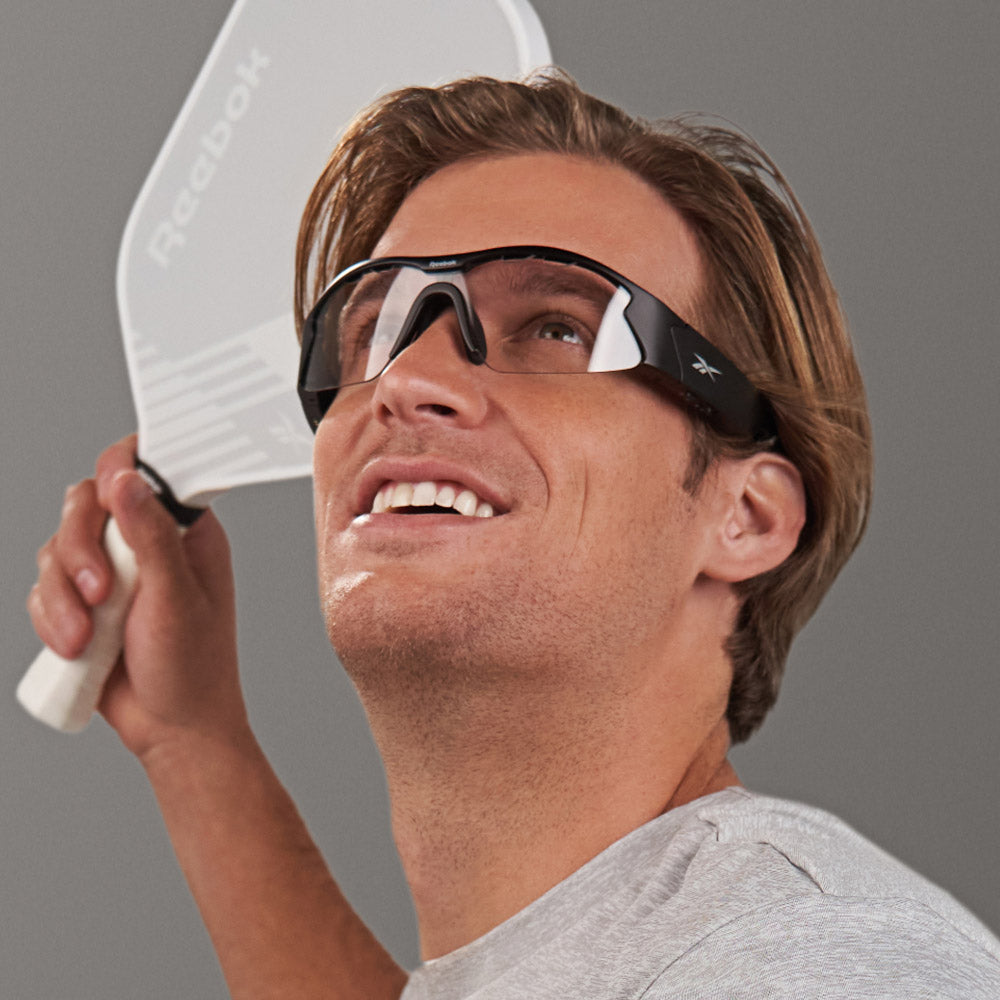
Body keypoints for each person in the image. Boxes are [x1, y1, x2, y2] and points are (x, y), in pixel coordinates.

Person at [28, 72, 1000, 998]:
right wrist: (193, 742)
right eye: (380, 329)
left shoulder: (821, 958)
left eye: (556, 327)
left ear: (743, 516)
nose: (406, 379)